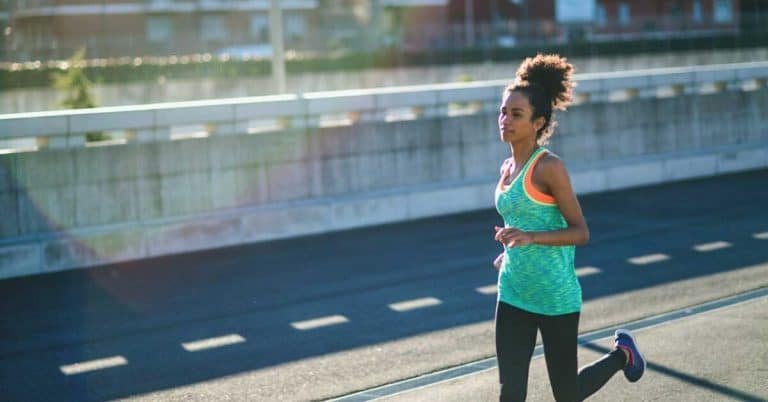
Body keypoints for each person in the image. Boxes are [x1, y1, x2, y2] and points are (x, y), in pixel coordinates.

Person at [491, 54, 645, 402]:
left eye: (516, 114)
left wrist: (531, 238)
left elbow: (580, 231)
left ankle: (623, 355)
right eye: (503, 111)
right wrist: (508, 250)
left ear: (538, 122)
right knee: (510, 393)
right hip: (513, 292)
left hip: (555, 297)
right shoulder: (505, 168)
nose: (505, 120)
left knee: (567, 394)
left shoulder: (549, 168)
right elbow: (523, 221)